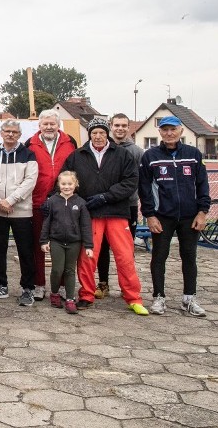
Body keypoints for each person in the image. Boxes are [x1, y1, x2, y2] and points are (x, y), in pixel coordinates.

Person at [62, 117, 147, 315]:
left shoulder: (122, 154)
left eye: (101, 132)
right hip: (90, 213)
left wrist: (106, 197)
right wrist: (79, 202)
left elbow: (130, 181)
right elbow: (66, 180)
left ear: (106, 133)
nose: (98, 136)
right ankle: (86, 294)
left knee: (125, 256)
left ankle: (133, 297)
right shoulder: (77, 156)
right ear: (89, 135)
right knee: (87, 256)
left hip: (116, 212)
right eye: (94, 133)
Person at [139, 115, 211, 317]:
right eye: (165, 130)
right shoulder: (150, 156)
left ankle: (189, 299)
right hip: (163, 216)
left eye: (173, 129)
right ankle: (159, 298)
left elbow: (202, 186)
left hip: (190, 216)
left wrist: (203, 212)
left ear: (181, 131)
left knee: (189, 256)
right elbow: (144, 189)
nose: (169, 133)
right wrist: (150, 215)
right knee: (159, 256)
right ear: (160, 132)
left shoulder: (193, 154)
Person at [0, 120, 38, 305]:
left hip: (21, 211)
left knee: (25, 251)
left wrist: (11, 200)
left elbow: (30, 181)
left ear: (19, 134)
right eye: (7, 131)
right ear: (1, 132)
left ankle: (28, 288)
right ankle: (1, 286)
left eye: (14, 131)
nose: (10, 134)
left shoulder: (29, 155)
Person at [25, 109, 77, 301]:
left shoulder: (70, 142)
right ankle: (39, 285)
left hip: (64, 200)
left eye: (52, 124)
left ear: (58, 125)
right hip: (38, 200)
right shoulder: (29, 144)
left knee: (63, 244)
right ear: (39, 126)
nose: (48, 127)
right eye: (45, 124)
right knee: (39, 245)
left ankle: (62, 285)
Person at [95, 113, 143, 299]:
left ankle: (126, 285)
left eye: (124, 125)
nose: (120, 128)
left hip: (127, 206)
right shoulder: (103, 148)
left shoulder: (137, 151)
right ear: (111, 126)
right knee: (102, 247)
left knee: (125, 250)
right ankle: (104, 282)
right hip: (103, 206)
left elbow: (140, 179)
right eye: (117, 125)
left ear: (129, 127)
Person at [39, 172, 93, 314]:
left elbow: (86, 225)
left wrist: (88, 245)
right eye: (63, 184)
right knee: (57, 270)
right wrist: (44, 240)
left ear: (75, 184)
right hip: (56, 241)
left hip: (74, 242)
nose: (66, 187)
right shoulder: (52, 201)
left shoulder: (81, 203)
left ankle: (70, 299)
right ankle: (55, 293)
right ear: (59, 185)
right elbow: (47, 222)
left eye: (70, 184)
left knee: (70, 270)